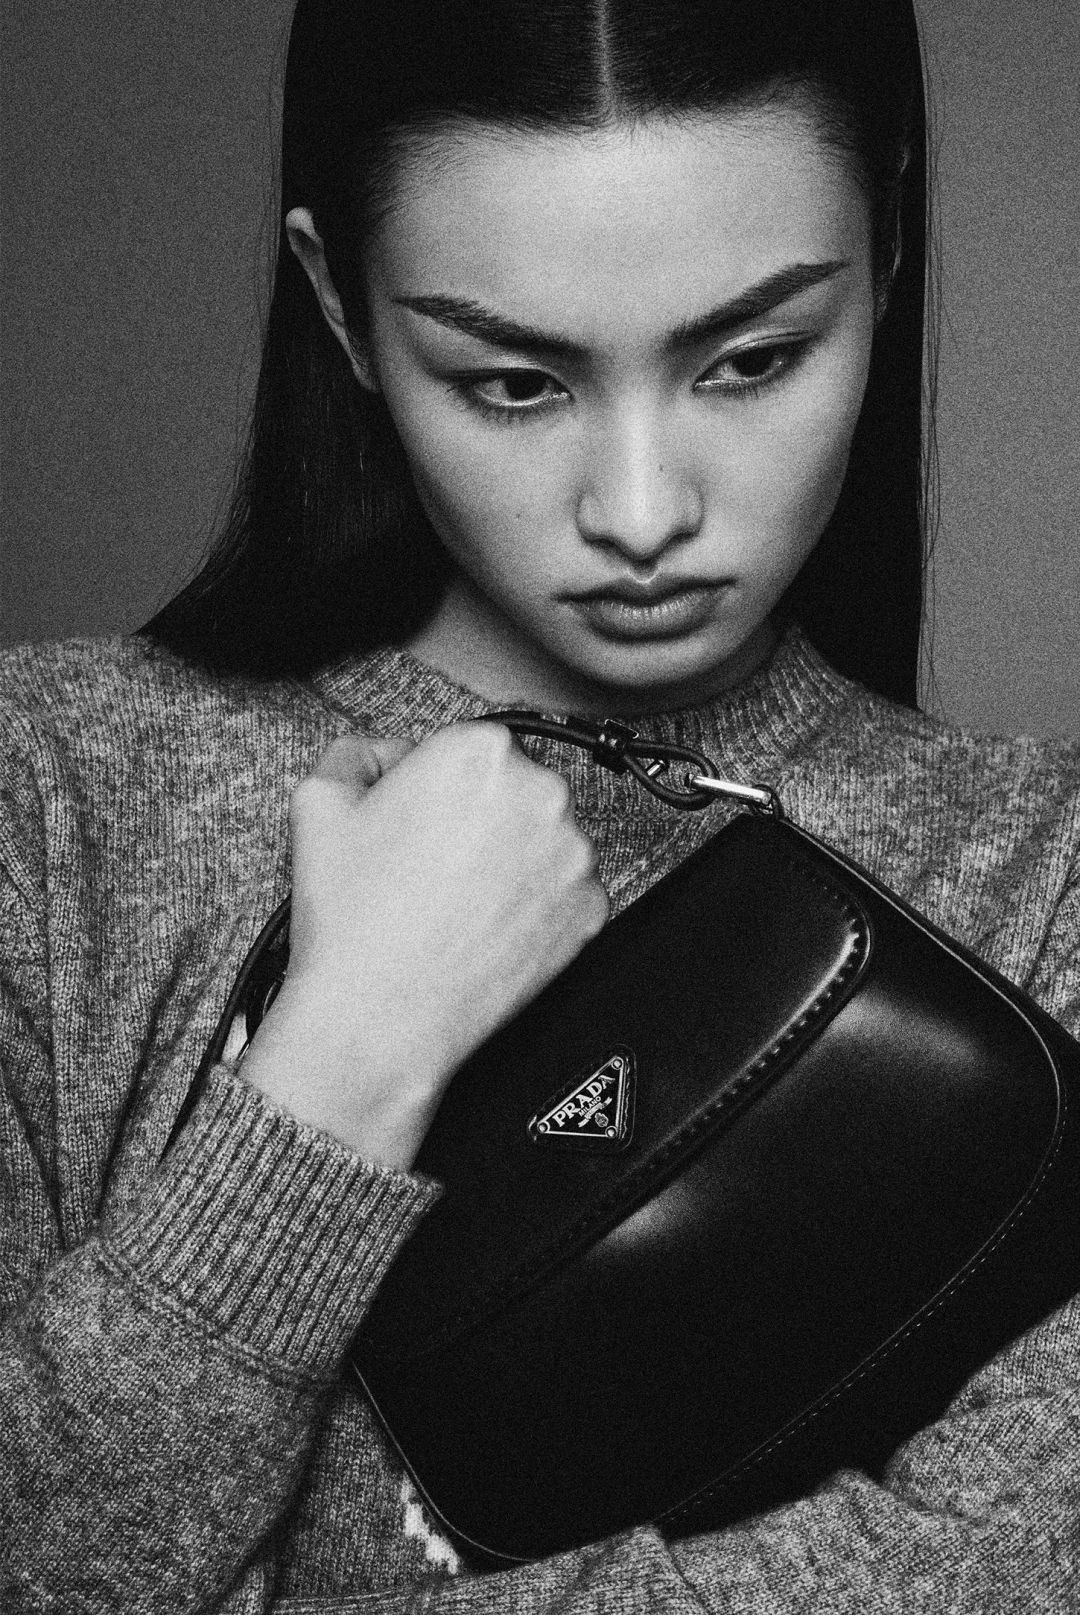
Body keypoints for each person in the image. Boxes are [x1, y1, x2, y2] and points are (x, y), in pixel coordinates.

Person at [2, 0, 1078, 1609]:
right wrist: (337, 1072)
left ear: (891, 253)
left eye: (753, 360)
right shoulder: (45, 795)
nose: (641, 512)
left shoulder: (1052, 872)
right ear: (341, 309)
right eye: (512, 381)